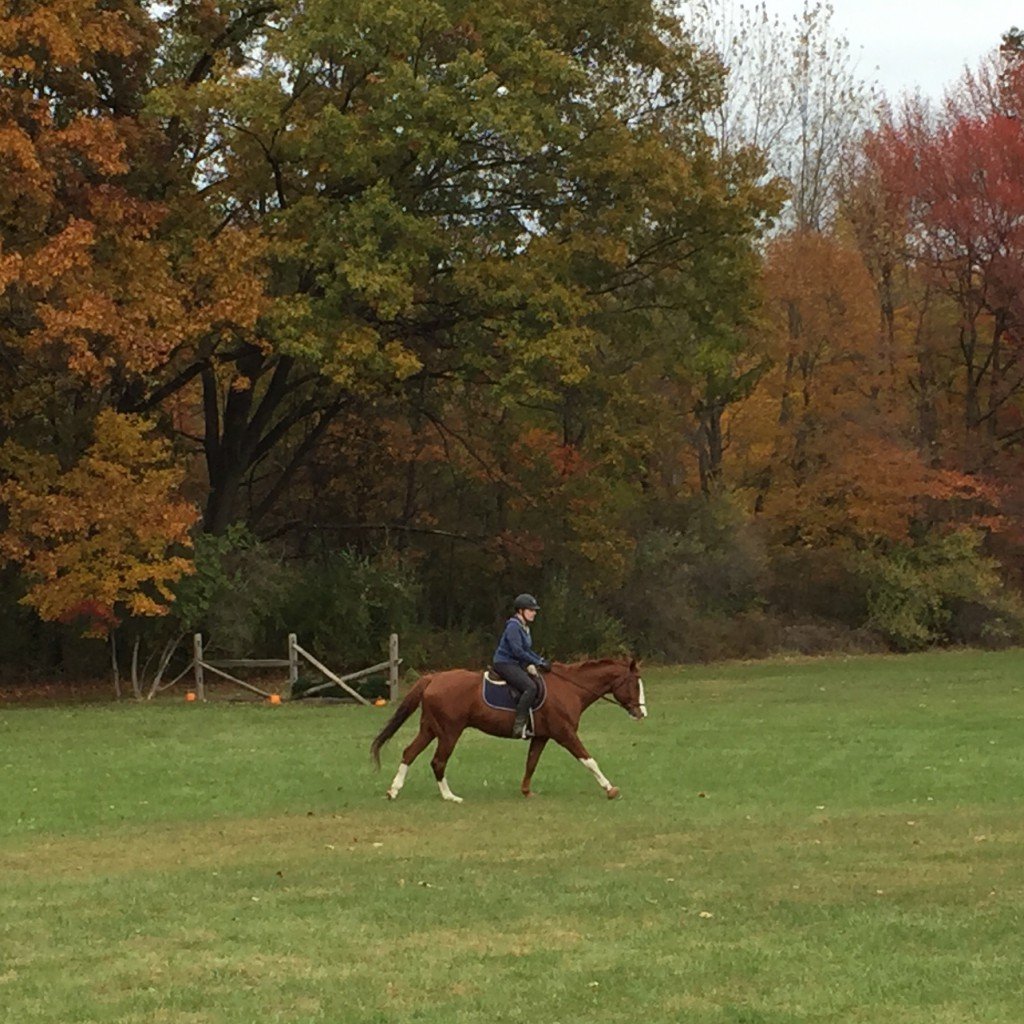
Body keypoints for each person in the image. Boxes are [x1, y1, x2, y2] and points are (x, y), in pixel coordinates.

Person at [492, 593, 552, 739]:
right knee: (530, 687)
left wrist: (540, 660)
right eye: (531, 610)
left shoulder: (524, 627)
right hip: (504, 663)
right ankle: (518, 725)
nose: (534, 613)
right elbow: (517, 650)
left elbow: (526, 650)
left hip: (515, 663)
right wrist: (536, 662)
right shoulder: (513, 626)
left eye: (534, 610)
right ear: (520, 611)